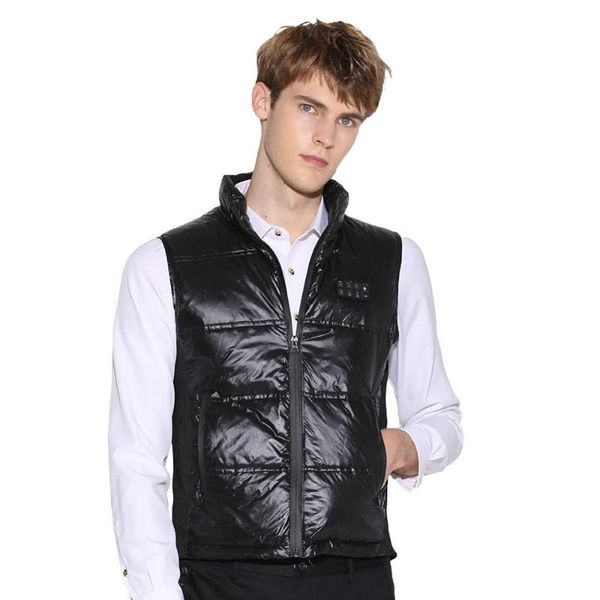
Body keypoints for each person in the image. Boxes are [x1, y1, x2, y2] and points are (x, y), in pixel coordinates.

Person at [108, 19, 464, 600]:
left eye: (347, 119)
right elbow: (136, 459)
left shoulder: (392, 261)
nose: (326, 137)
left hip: (356, 575)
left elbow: (441, 416)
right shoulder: (166, 265)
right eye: (308, 107)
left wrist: (401, 448)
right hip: (220, 577)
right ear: (262, 101)